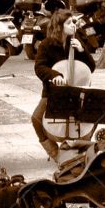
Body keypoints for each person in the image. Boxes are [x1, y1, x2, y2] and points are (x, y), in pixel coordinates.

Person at [31, 9, 96, 159]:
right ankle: (53, 151)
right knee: (36, 118)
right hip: (54, 92)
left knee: (95, 115)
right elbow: (39, 67)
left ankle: (82, 146)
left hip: (77, 91)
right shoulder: (46, 45)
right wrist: (55, 75)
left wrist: (82, 50)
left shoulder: (77, 40)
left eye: (73, 22)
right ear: (59, 26)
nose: (73, 25)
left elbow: (91, 67)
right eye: (69, 22)